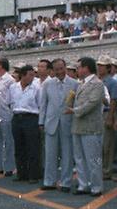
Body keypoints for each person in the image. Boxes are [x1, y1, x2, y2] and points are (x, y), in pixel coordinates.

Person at [68, 57, 105, 196]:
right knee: (79, 157)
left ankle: (96, 186)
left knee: (93, 158)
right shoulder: (81, 84)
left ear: (86, 68)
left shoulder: (97, 84)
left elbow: (92, 102)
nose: (77, 70)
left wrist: (75, 111)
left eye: (79, 67)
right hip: (78, 125)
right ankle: (83, 184)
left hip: (91, 126)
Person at [39, 58, 77, 191]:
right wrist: (41, 122)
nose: (60, 72)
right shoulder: (47, 84)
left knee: (67, 154)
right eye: (56, 70)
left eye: (62, 69)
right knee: (50, 154)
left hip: (68, 122)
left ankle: (66, 182)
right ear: (52, 71)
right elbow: (43, 104)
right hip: (51, 122)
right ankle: (49, 181)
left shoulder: (74, 84)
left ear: (65, 68)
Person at [10, 64, 42, 183]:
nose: (33, 77)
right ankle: (21, 173)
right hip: (17, 117)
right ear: (23, 75)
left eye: (34, 75)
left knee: (32, 147)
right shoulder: (13, 87)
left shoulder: (36, 88)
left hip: (31, 118)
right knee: (19, 147)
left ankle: (33, 175)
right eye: (30, 75)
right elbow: (10, 102)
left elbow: (40, 105)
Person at [0, 57, 16, 176]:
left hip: (5, 111)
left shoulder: (9, 80)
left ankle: (9, 166)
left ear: (1, 65)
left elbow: (11, 98)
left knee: (8, 139)